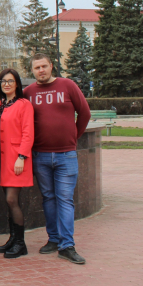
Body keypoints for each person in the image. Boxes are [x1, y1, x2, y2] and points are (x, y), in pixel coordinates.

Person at [24, 53, 91, 265]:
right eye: (37, 68)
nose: (41, 70)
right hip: (41, 155)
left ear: (51, 66)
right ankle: (53, 239)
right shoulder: (28, 92)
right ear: (32, 70)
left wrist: (73, 137)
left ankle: (67, 245)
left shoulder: (67, 85)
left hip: (66, 155)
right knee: (48, 198)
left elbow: (85, 113)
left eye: (44, 66)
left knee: (65, 199)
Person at [0, 68, 34, 259]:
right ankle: (12, 238)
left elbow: (28, 133)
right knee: (9, 201)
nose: (6, 84)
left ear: (17, 84)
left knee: (12, 200)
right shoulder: (1, 104)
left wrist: (22, 157)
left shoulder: (23, 104)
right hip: (3, 159)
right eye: (3, 81)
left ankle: (21, 243)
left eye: (10, 81)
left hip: (17, 159)